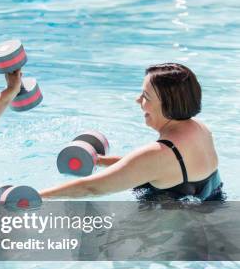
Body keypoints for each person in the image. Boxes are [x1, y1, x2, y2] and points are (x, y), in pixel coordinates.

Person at [40, 63, 222, 201]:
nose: (138, 100)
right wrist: (100, 161)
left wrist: (34, 197)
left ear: (168, 106)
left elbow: (92, 188)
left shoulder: (160, 154)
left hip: (172, 240)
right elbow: (152, 168)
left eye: (146, 97)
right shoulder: (200, 129)